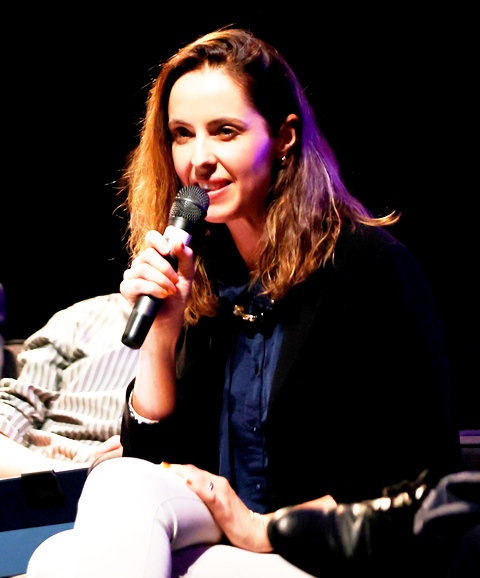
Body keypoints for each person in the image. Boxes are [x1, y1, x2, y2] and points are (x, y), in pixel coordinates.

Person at [26, 27, 463, 578]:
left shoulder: (368, 267)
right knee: (76, 529)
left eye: (224, 132)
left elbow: (422, 482)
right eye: (182, 135)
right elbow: (151, 462)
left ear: (284, 138)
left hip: (327, 552)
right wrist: (161, 336)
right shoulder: (205, 271)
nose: (199, 159)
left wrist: (263, 527)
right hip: (228, 540)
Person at [0, 293, 139, 478]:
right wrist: (77, 475)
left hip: (142, 477)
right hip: (46, 469)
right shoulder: (81, 318)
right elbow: (16, 407)